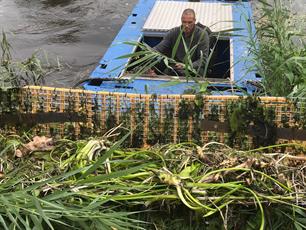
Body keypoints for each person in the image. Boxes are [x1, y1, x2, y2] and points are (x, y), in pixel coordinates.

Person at [149, 8, 210, 76]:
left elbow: (203, 60)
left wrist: (186, 66)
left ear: (194, 21)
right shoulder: (174, 32)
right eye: (184, 22)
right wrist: (148, 57)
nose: (186, 25)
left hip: (193, 68)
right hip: (176, 67)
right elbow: (158, 49)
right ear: (181, 21)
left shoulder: (202, 35)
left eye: (190, 22)